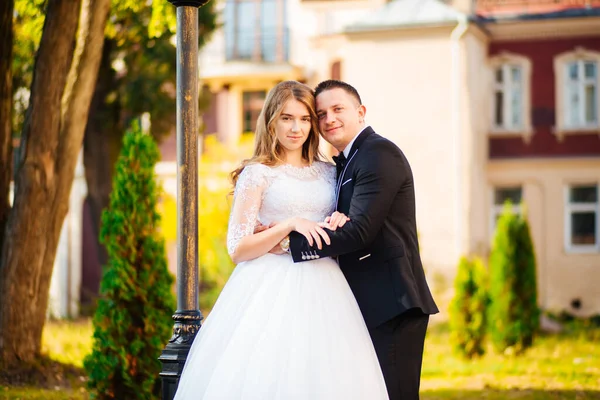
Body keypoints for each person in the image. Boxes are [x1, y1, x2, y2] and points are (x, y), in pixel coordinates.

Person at [173, 80, 389, 400]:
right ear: (271, 120)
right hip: (267, 287)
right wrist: (289, 225)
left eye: (304, 119)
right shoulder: (258, 173)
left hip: (327, 286)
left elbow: (341, 222)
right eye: (287, 118)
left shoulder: (329, 171)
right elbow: (238, 248)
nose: (296, 128)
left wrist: (339, 220)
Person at [285, 80, 439, 400]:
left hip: (391, 301)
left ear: (361, 112)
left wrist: (286, 244)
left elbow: (359, 233)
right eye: (321, 113)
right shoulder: (345, 161)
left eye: (338, 109)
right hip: (364, 301)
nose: (329, 119)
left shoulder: (378, 153)